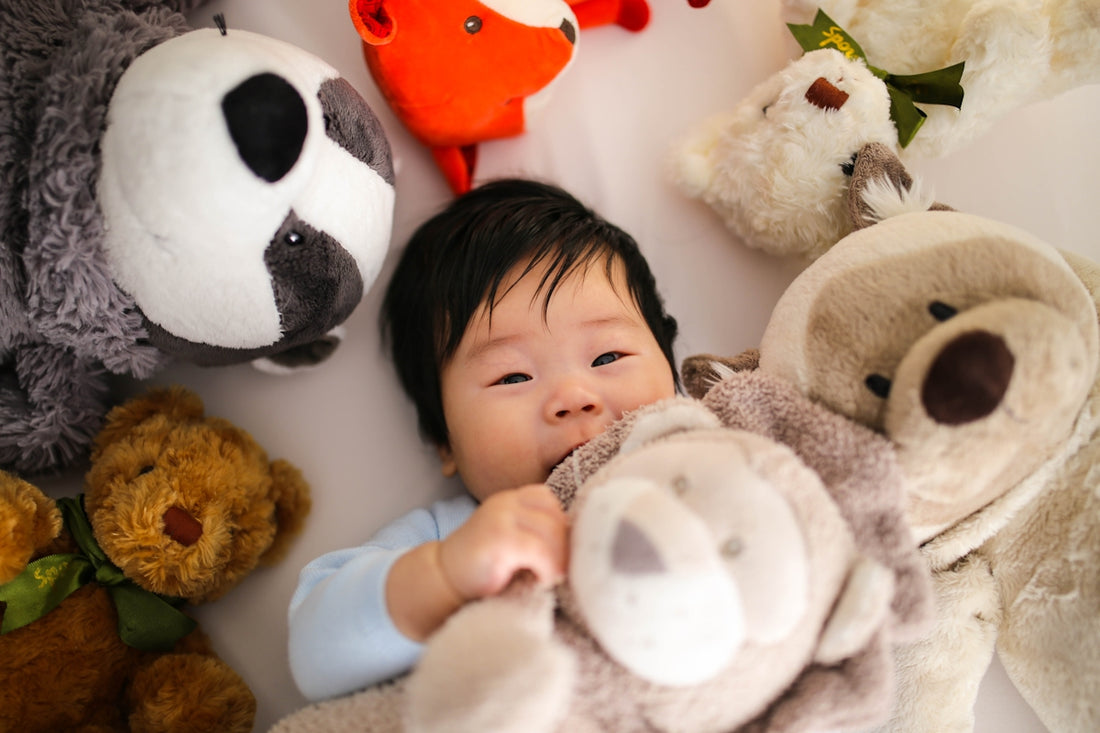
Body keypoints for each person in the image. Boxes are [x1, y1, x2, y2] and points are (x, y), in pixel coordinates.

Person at [287, 178, 680, 701]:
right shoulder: (452, 539)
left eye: (608, 357)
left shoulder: (718, 453)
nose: (572, 396)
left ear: (674, 377)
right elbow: (316, 658)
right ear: (444, 440)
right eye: (512, 378)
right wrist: (446, 575)